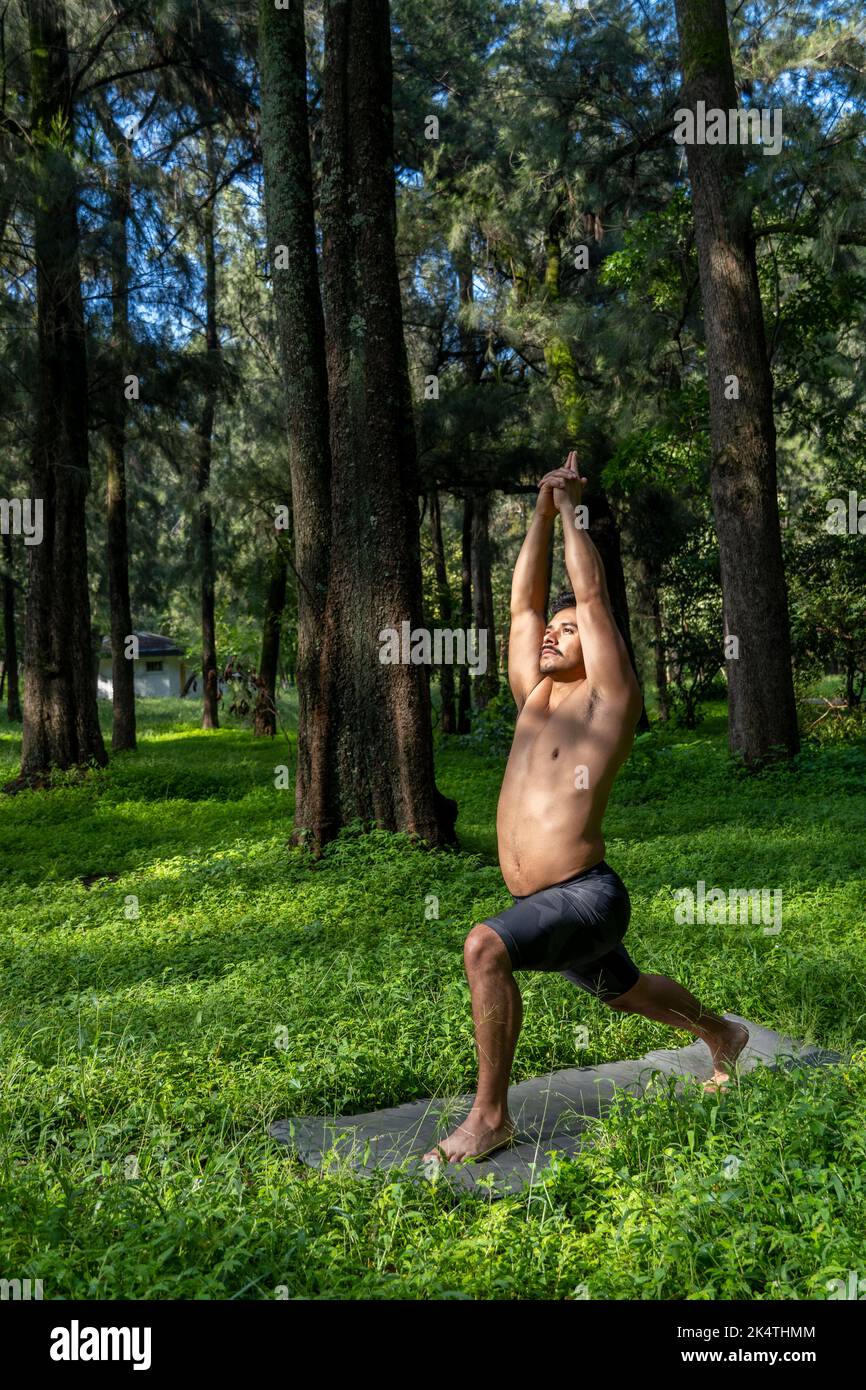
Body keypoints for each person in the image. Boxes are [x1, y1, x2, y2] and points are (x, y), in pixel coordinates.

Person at [424, 452, 748, 1165]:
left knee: (483, 947)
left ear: (597, 650)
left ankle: (489, 1117)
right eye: (553, 631)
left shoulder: (609, 702)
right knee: (626, 990)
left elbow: (591, 599)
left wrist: (572, 509)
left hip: (587, 896)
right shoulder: (534, 699)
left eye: (566, 633)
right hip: (551, 902)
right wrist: (539, 514)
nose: (551, 633)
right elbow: (523, 606)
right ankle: (721, 1034)